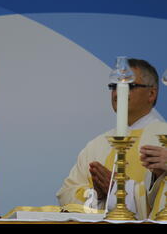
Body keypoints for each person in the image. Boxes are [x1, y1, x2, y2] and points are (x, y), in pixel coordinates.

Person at [57, 58, 167, 219]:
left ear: (151, 93)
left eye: (128, 85)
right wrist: (98, 195)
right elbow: (66, 194)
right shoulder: (97, 145)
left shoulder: (163, 136)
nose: (117, 92)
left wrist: (117, 191)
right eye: (114, 86)